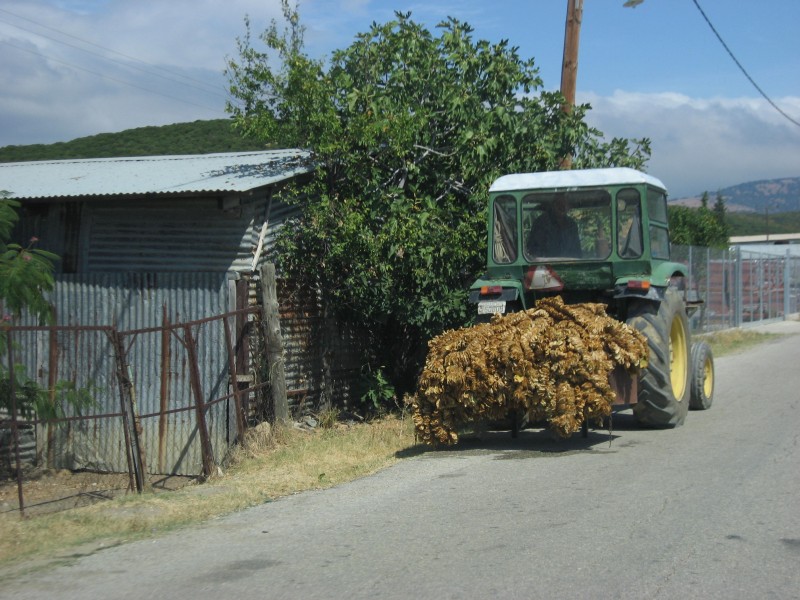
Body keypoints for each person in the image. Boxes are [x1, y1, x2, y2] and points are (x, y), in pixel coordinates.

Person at [526, 194, 582, 258]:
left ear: (569, 207)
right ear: (553, 205)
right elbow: (533, 249)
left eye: (565, 204)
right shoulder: (541, 223)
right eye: (559, 204)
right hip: (546, 265)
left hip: (570, 265)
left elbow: (577, 251)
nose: (562, 207)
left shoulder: (572, 225)